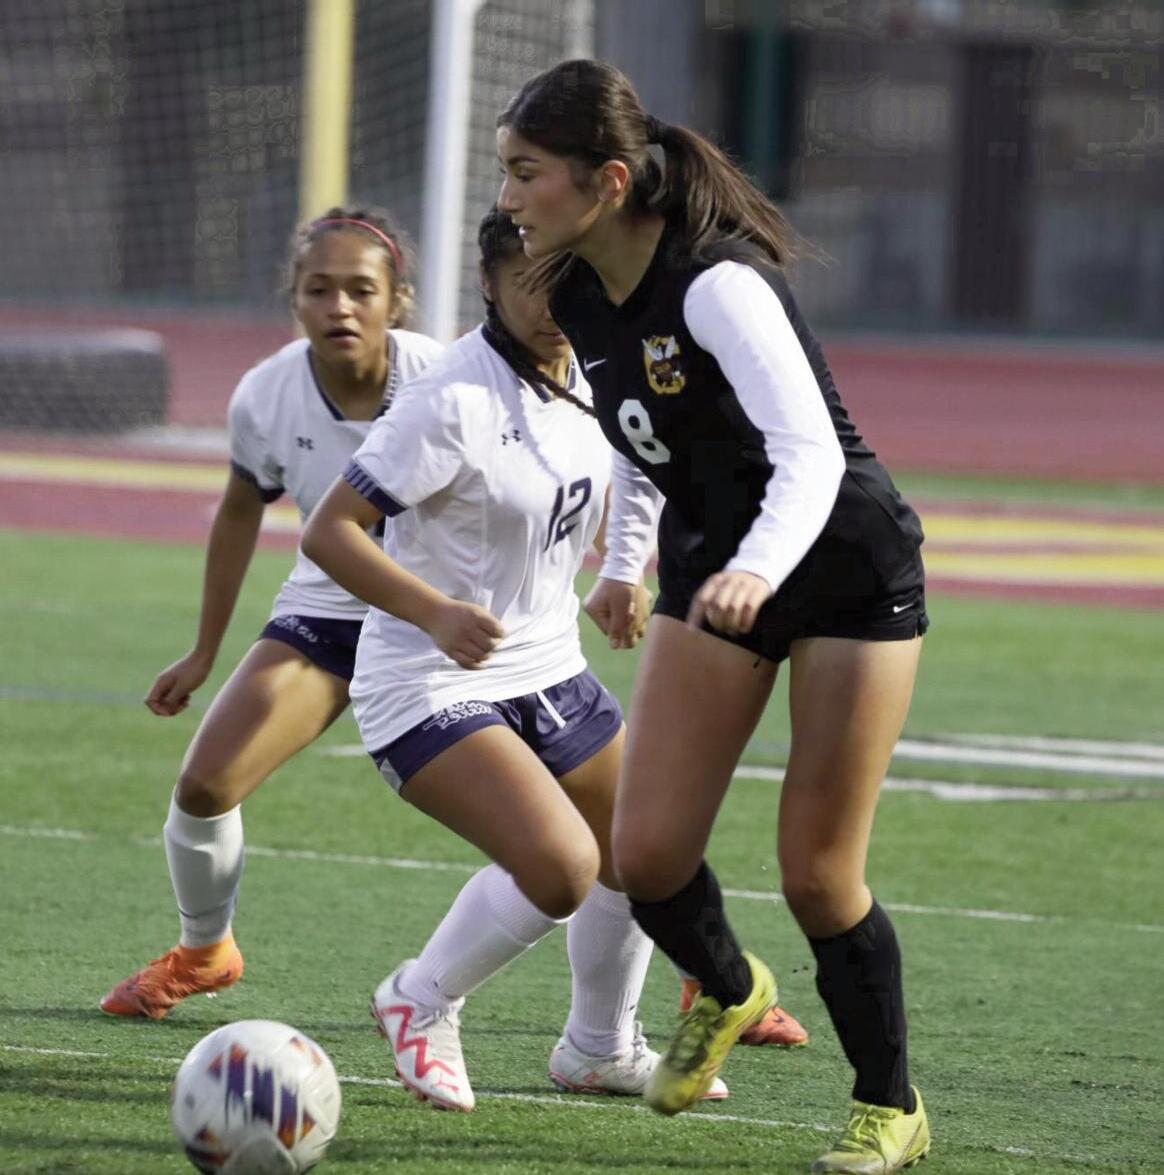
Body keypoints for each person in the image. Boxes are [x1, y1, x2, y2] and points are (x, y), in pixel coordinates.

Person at [495, 60, 931, 1173]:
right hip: (716, 567)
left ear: (605, 180)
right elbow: (641, 434)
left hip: (841, 564)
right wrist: (625, 563)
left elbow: (811, 452)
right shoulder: (576, 292)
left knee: (817, 873)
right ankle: (731, 988)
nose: (508, 196)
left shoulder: (718, 283)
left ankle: (889, 1106)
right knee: (645, 850)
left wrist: (759, 569)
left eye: (526, 172)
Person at [300, 207, 727, 1112]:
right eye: (529, 282)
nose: (552, 301)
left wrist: (622, 569)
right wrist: (433, 611)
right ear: (488, 285)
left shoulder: (596, 362)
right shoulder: (450, 398)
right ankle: (420, 997)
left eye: (566, 277)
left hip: (547, 665)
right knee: (562, 865)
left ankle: (599, 1046)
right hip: (426, 680)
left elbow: (636, 460)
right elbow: (329, 531)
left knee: (641, 849)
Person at [99, 207, 445, 1019]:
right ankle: (205, 950)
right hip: (331, 612)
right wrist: (203, 650)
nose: (339, 306)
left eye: (360, 289)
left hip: (446, 619)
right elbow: (238, 511)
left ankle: (697, 963)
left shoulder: (445, 380)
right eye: (318, 289)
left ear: (397, 300)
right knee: (204, 785)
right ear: (295, 300)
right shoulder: (266, 393)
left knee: (581, 812)